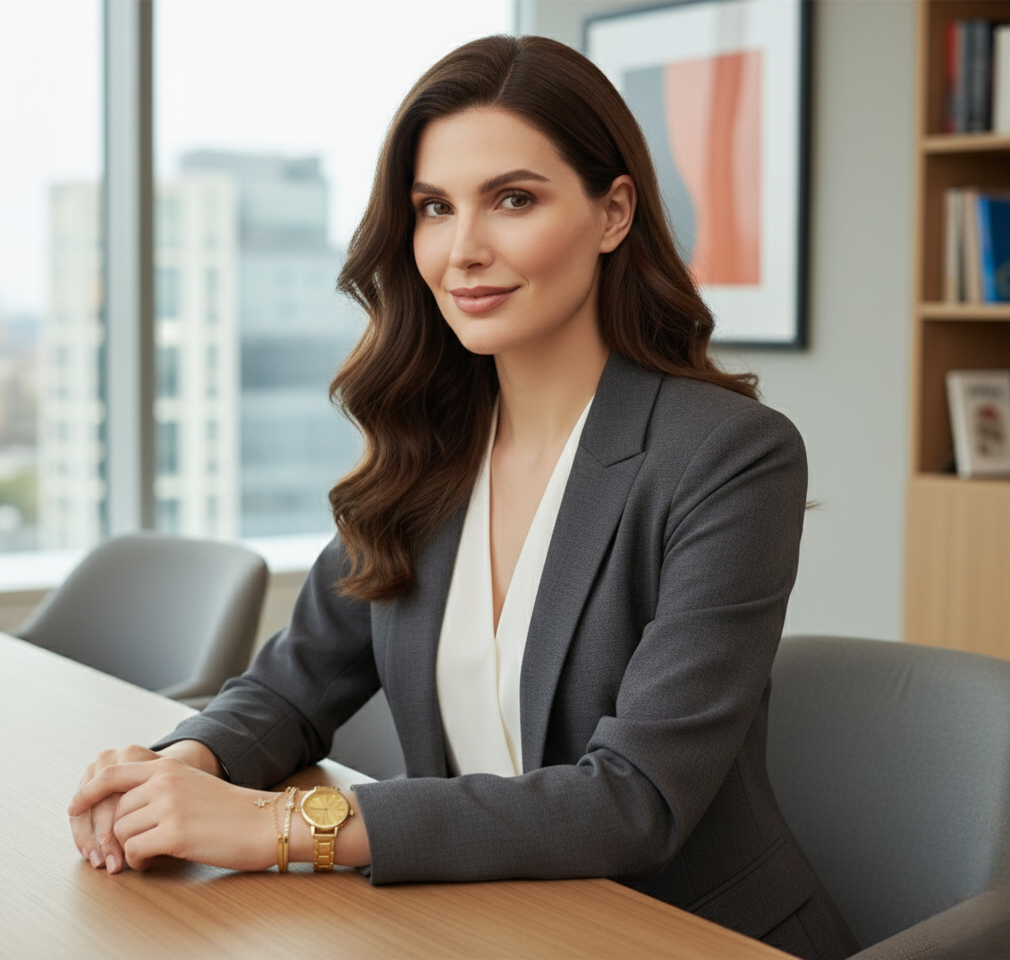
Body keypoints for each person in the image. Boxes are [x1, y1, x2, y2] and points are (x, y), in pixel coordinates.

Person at [68, 35, 858, 960]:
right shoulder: (429, 446)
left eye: (513, 199)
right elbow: (292, 683)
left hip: (688, 935)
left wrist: (282, 829)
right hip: (480, 926)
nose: (464, 250)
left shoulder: (727, 458)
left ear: (613, 213)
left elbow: (635, 799)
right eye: (434, 208)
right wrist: (179, 771)